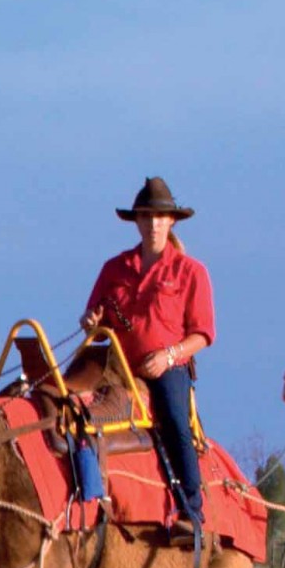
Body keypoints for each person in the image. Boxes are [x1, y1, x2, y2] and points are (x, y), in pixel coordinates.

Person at [83, 176, 216, 540]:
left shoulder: (191, 272)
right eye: (146, 216)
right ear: (137, 222)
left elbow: (203, 334)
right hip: (115, 367)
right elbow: (94, 320)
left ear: (171, 221)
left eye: (160, 217)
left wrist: (169, 356)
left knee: (174, 420)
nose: (153, 224)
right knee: (72, 410)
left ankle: (192, 512)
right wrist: (91, 322)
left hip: (166, 367)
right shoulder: (114, 269)